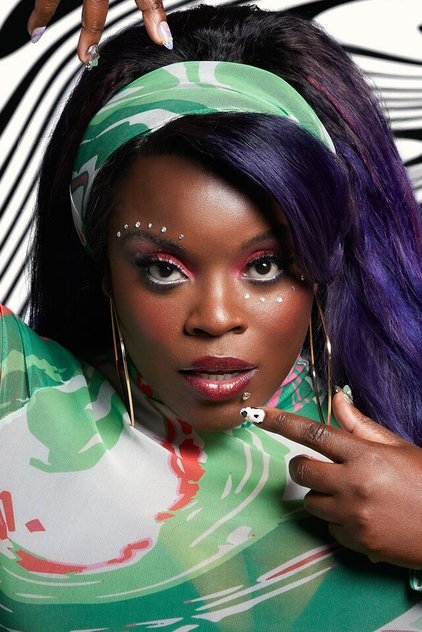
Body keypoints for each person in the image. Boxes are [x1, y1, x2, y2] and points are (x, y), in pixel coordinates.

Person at [2, 3, 422, 630]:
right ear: (103, 263)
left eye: (266, 265)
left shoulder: (407, 416)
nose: (216, 319)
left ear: (321, 261)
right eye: (162, 268)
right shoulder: (19, 406)